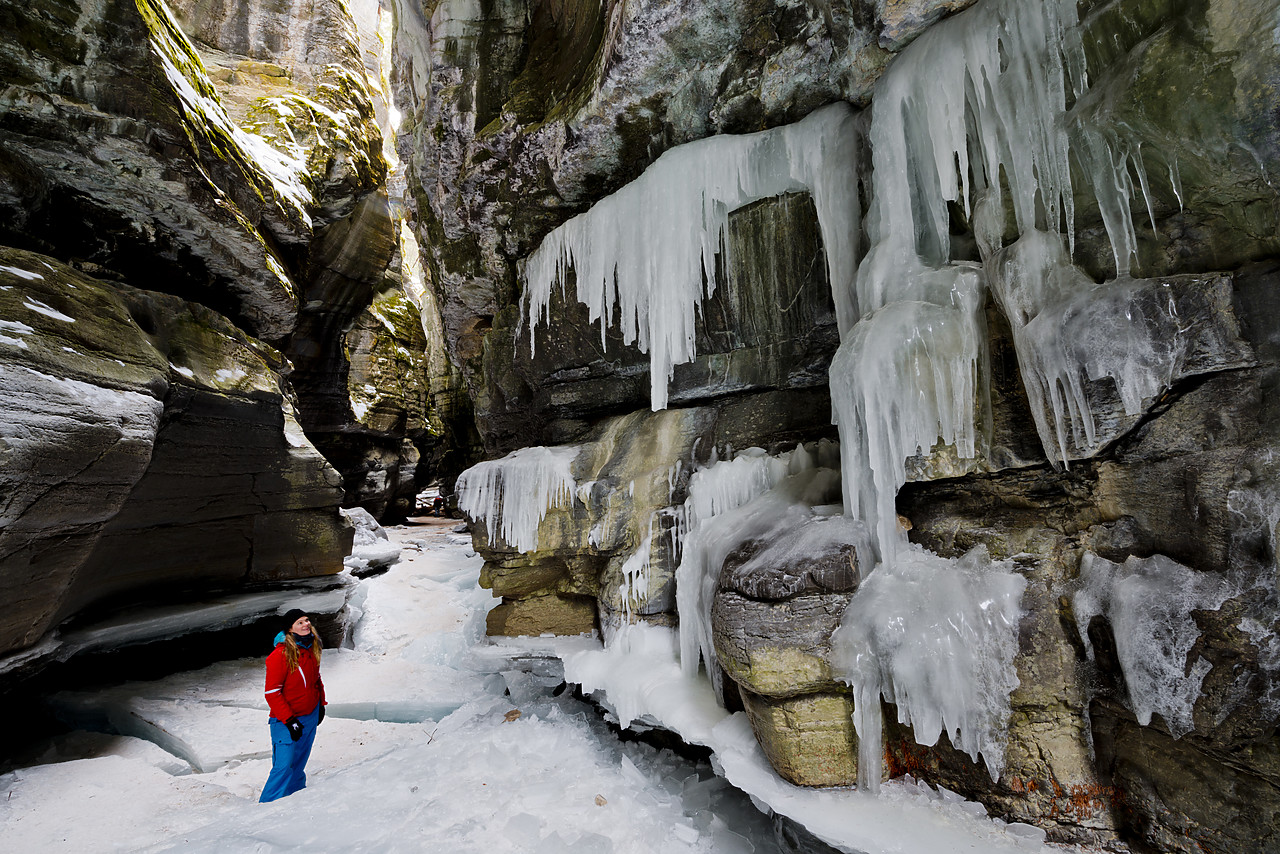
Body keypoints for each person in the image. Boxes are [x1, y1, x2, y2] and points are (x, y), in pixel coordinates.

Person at [259, 608, 327, 803]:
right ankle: (267, 807)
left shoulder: (312, 647)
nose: (306, 624)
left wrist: (321, 704)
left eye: (307, 620)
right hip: (286, 720)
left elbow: (316, 679)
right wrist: (289, 721)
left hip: (310, 715)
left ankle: (295, 802)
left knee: (299, 763)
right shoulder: (279, 656)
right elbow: (272, 693)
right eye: (300, 622)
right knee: (283, 766)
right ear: (290, 629)